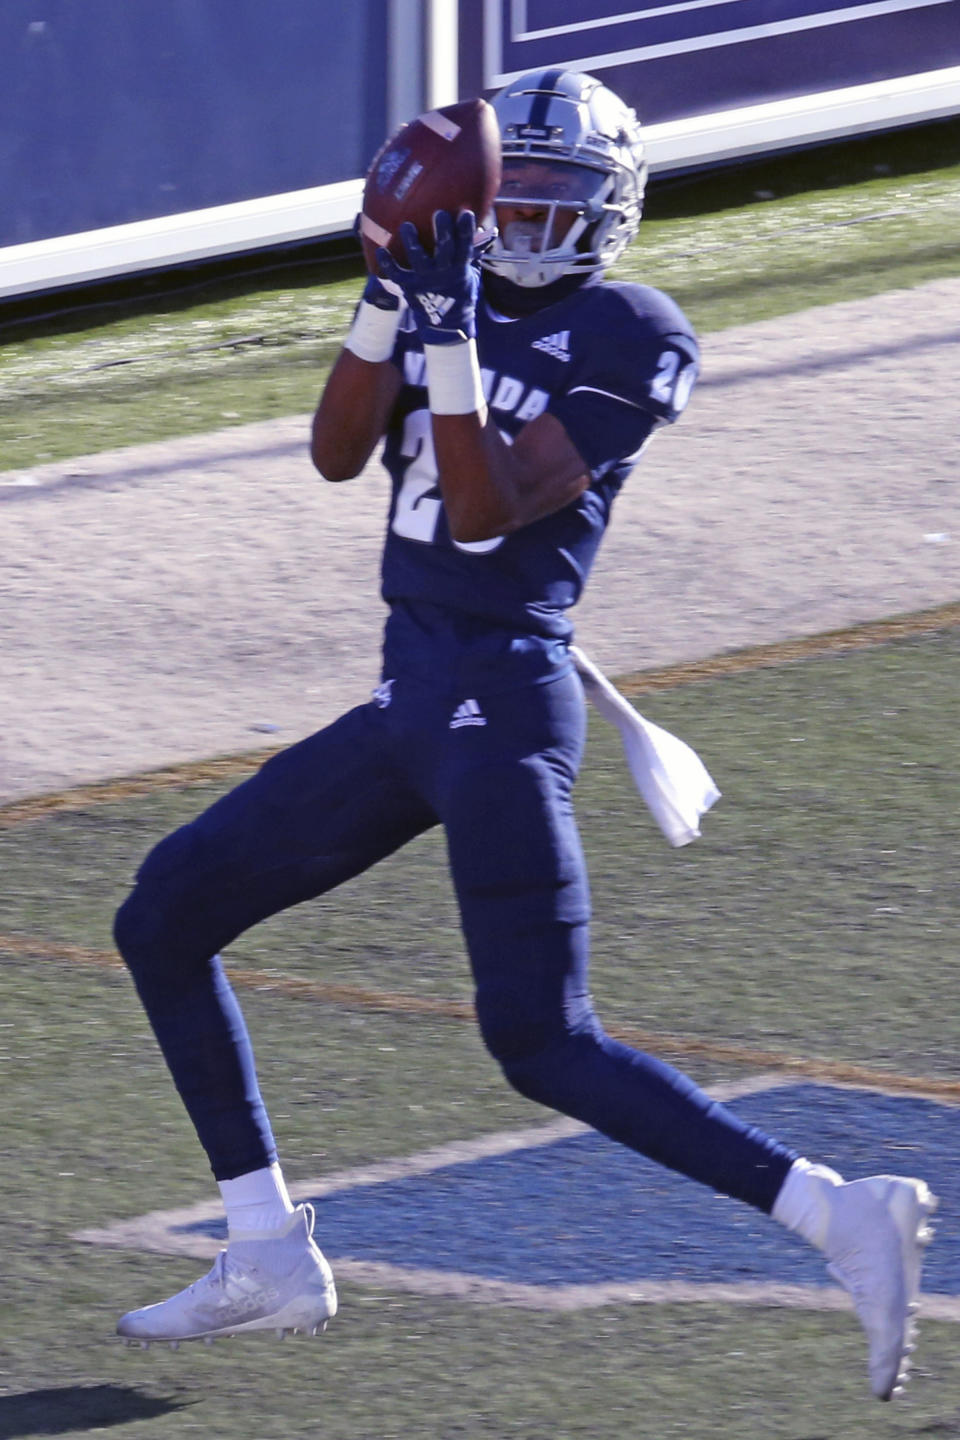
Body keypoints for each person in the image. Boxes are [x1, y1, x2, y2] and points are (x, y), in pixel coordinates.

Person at [113, 69, 936, 1399]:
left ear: (613, 210)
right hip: (411, 697)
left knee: (542, 1041)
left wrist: (444, 336)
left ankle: (834, 1213)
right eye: (521, 196)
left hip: (500, 705)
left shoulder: (634, 329)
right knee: (162, 917)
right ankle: (265, 1247)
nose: (538, 223)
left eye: (565, 200)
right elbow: (334, 455)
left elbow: (493, 509)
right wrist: (391, 298)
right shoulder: (456, 292)